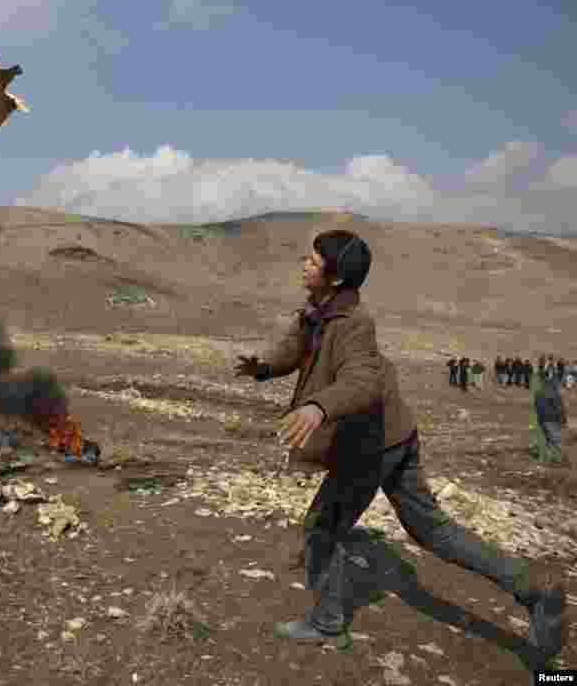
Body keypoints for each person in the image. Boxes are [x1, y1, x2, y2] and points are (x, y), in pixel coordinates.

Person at [234, 230, 566, 655]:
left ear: (335, 278)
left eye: (313, 261)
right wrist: (263, 369)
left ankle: (328, 622)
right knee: (432, 529)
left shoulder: (353, 322)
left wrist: (318, 407)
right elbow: (303, 350)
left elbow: (363, 379)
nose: (303, 263)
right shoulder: (323, 310)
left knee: (321, 526)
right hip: (394, 434)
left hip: (369, 445)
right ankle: (534, 587)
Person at [532, 369, 567, 464]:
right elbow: (559, 407)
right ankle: (558, 458)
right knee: (555, 439)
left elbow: (536, 407)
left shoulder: (538, 392)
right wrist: (563, 419)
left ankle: (545, 457)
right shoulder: (554, 393)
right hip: (552, 419)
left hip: (542, 419)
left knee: (546, 439)